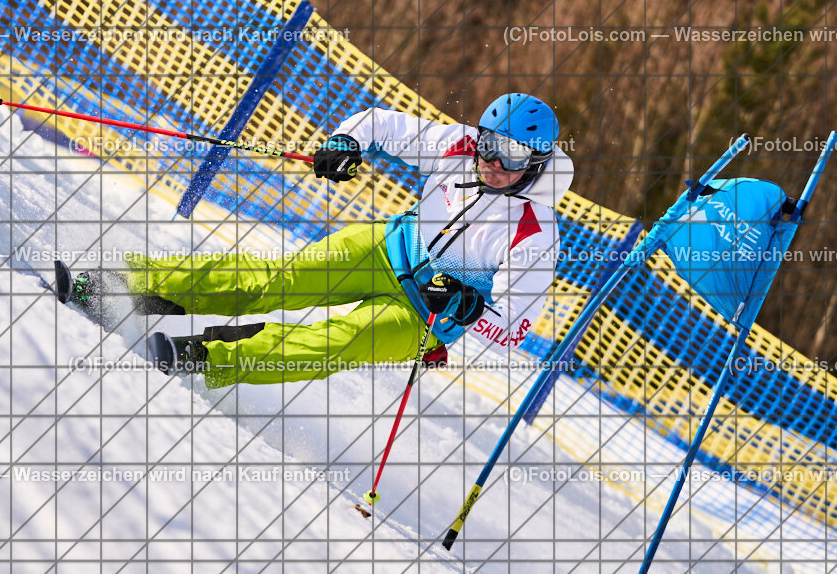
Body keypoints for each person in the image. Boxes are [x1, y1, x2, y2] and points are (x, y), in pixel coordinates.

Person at [56, 93, 574, 389]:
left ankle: (203, 357)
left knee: (339, 342)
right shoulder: (458, 145)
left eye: (511, 156)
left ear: (536, 162)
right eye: (489, 144)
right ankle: (118, 285)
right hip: (387, 249)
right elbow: (378, 123)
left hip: (424, 316)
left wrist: (465, 305)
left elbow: (513, 329)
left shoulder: (536, 231)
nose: (491, 162)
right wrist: (346, 142)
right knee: (274, 281)